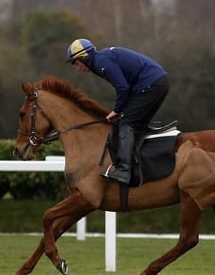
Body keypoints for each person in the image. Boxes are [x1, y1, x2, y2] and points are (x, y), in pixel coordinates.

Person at [65, 38, 169, 184]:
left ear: (84, 58)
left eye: (76, 62)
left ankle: (124, 170)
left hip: (151, 84)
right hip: (157, 82)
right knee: (135, 122)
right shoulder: (101, 59)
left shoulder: (100, 62)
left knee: (126, 123)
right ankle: (140, 161)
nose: (78, 67)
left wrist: (116, 110)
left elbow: (122, 88)